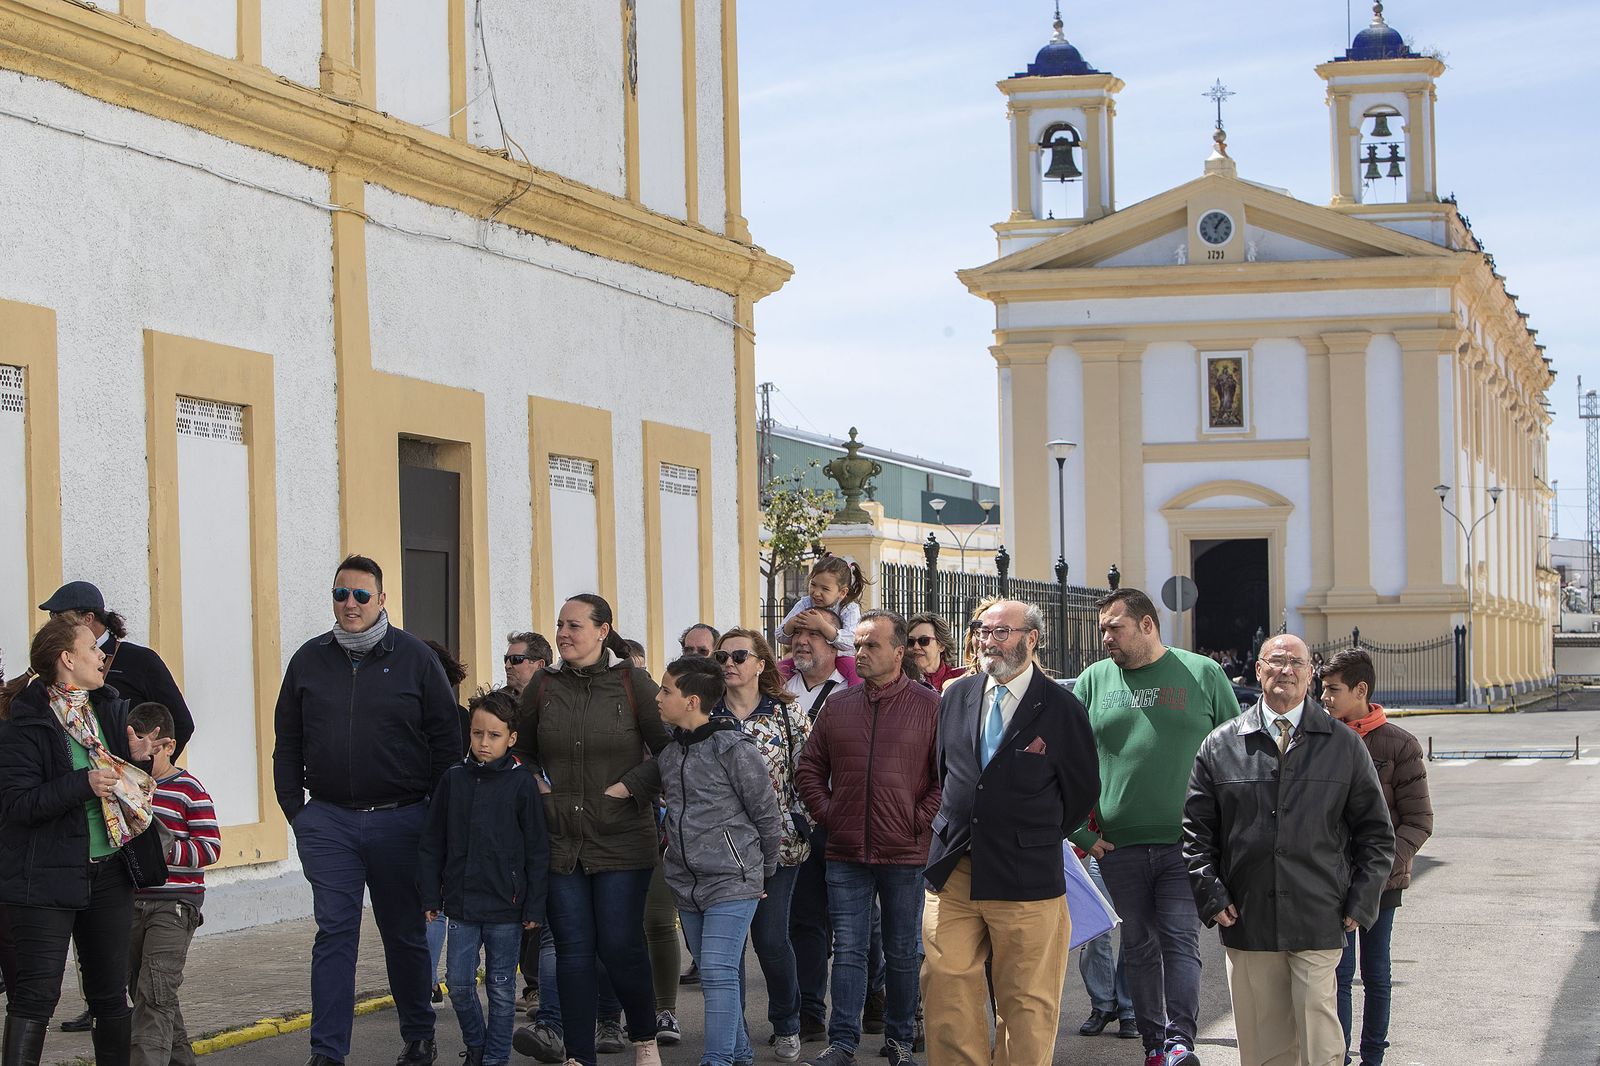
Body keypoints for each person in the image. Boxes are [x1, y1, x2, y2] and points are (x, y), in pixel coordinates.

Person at [272, 555, 461, 1066]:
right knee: (335, 933)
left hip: (402, 820)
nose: (349, 604)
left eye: (360, 595)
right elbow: (286, 740)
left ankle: (419, 1036)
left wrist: (434, 818)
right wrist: (298, 812)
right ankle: (327, 1052)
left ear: (382, 600)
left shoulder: (416, 658)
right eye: (341, 594)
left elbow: (448, 743)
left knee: (403, 932)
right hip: (329, 821)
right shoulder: (309, 660)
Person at [1183, 634, 1395, 1066]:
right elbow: (1196, 832)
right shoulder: (1220, 745)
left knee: (1320, 1037)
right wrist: (1210, 892)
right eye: (1275, 661)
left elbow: (1376, 833)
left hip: (1319, 912)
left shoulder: (1343, 744)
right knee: (1263, 1042)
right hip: (1248, 916)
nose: (1286, 670)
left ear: (1310, 673)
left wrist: (1362, 899)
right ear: (1258, 671)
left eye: (1296, 662)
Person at [921, 599, 1100, 1066]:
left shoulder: (1061, 706)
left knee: (1027, 1001)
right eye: (982, 631)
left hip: (1026, 875)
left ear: (1031, 639)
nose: (987, 641)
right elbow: (945, 772)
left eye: (1001, 632)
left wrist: (1028, 833)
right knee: (946, 986)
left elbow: (1081, 793)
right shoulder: (955, 695)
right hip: (954, 867)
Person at [1068, 588, 1241, 1066]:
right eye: (1102, 629)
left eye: (1114, 628)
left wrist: (1227, 837)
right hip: (1116, 847)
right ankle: (1152, 1044)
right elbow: (1067, 760)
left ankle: (1180, 1040)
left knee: (1180, 938)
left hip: (1186, 843)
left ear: (1147, 625)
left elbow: (1237, 757)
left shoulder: (1202, 673)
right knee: (1138, 945)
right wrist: (1082, 835)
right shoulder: (1094, 680)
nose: (1106, 638)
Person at [511, 594, 670, 1066]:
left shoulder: (633, 683)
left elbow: (669, 751)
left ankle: (643, 1037)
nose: (563, 633)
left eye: (574, 625)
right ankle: (578, 1055)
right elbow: (520, 748)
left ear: (602, 631)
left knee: (619, 944)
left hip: (622, 836)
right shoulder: (543, 683)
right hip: (561, 838)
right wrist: (535, 782)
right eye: (560, 624)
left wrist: (630, 787)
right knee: (575, 951)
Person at [0, 616, 162, 1066]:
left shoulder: (107, 710)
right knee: (35, 997)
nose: (102, 656)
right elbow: (16, 805)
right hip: (43, 877)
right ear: (67, 659)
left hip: (109, 872)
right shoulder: (23, 720)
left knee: (111, 996)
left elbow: (121, 791)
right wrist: (81, 784)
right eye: (92, 647)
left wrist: (137, 765)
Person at [796, 611, 940, 1066]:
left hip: (904, 852)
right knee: (851, 951)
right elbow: (809, 769)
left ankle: (899, 1041)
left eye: (870, 645)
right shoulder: (839, 705)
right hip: (845, 851)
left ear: (899, 653)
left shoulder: (929, 706)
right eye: (856, 645)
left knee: (901, 952)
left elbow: (948, 776)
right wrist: (829, 815)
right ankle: (842, 1043)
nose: (860, 653)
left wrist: (918, 820)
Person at [658, 656, 784, 1066]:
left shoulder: (735, 749)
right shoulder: (670, 753)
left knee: (715, 970)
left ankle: (718, 1060)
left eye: (665, 691)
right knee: (721, 974)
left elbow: (767, 815)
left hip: (733, 879)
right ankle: (741, 1053)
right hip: (685, 882)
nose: (658, 698)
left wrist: (762, 871)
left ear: (691, 701)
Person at [418, 688, 548, 1066]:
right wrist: (430, 896)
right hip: (460, 905)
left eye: (494, 735)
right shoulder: (453, 779)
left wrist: (534, 905)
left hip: (507, 907)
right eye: (477, 734)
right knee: (459, 984)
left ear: (512, 738)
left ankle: (494, 1058)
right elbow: (432, 843)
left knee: (502, 988)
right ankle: (476, 1045)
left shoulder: (522, 782)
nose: (484, 743)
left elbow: (538, 850)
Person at [1318, 650, 1433, 1066]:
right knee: (1338, 975)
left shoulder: (1399, 745)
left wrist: (1377, 870)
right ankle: (1339, 1057)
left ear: (1360, 690)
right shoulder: (1320, 738)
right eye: (1323, 688)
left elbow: (1418, 821)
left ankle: (1372, 1057)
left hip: (1382, 884)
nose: (1324, 697)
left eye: (1332, 690)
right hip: (1332, 881)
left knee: (1377, 973)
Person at [712, 628, 815, 1062]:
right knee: (727, 947)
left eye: (739, 655)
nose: (729, 663)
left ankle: (787, 1024)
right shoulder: (705, 716)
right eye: (721, 657)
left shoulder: (787, 716)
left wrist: (803, 820)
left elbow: (808, 775)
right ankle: (733, 1028)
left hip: (779, 848)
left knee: (771, 940)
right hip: (720, 851)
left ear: (760, 663)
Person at [125, 702, 219, 1066]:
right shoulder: (128, 785)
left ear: (168, 745)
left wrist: (165, 848)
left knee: (155, 995)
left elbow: (210, 848)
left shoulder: (188, 789)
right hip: (132, 903)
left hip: (175, 905)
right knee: (147, 992)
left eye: (149, 747)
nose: (142, 755)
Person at [39, 581, 195, 757]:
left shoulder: (140, 660)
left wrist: (148, 771)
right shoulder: (57, 660)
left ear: (88, 619)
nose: (52, 624)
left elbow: (182, 724)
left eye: (58, 617)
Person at [782, 621, 846, 1041]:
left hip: (843, 821)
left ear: (833, 644)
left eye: (813, 636)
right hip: (798, 823)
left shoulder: (850, 689)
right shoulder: (779, 691)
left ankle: (873, 1000)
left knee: (857, 923)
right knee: (804, 920)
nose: (801, 642)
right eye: (795, 637)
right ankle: (809, 1013)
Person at [502, 630, 552, 1013]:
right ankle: (529, 983)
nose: (509, 665)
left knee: (544, 906)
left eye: (517, 659)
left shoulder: (554, 702)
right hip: (510, 823)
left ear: (539, 664)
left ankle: (540, 989)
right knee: (517, 902)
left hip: (550, 819)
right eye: (507, 658)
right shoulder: (500, 707)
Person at [778, 557, 867, 686]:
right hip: (809, 656)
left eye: (825, 589)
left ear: (842, 592)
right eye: (813, 585)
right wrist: (792, 623)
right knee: (777, 670)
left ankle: (858, 702)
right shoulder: (804, 603)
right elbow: (780, 636)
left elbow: (852, 642)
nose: (816, 593)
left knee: (855, 672)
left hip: (841, 657)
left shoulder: (849, 608)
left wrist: (822, 626)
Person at [904, 614, 963, 694]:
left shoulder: (960, 678)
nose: (916, 646)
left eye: (924, 640)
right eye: (911, 641)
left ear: (941, 645)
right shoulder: (902, 680)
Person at [503, 632, 553, 700]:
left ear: (539, 666)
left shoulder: (557, 701)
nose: (507, 666)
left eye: (515, 659)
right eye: (506, 659)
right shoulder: (498, 703)